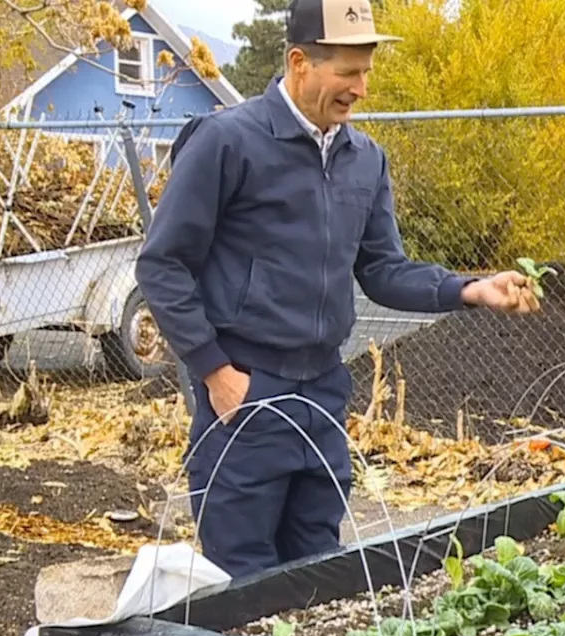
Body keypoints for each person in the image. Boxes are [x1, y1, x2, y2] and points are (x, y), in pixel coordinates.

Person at [135, 0, 540, 578]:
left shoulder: (365, 160)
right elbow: (162, 264)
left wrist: (472, 289)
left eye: (367, 70)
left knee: (319, 579)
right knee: (243, 591)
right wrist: (216, 374)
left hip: (323, 391)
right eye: (348, 72)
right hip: (246, 395)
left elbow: (383, 270)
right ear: (300, 63)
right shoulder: (226, 142)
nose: (362, 88)